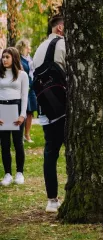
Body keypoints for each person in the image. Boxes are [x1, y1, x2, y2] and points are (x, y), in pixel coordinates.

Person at [32, 14, 66, 212]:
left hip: (46, 107)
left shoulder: (40, 47)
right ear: (60, 28)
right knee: (71, 150)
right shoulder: (63, 44)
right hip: (63, 106)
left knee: (50, 152)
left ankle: (51, 200)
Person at [0, 47, 28, 187]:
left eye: (7, 57)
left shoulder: (22, 75)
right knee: (4, 144)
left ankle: (19, 173)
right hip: (2, 110)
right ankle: (7, 174)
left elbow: (24, 96)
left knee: (18, 143)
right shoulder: (0, 74)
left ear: (14, 58)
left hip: (16, 109)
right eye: (3, 57)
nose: (4, 59)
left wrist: (22, 115)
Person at [16, 39, 37, 142]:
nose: (30, 48)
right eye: (28, 46)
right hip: (22, 88)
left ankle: (27, 135)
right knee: (21, 111)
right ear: (23, 47)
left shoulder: (30, 58)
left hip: (31, 88)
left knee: (30, 111)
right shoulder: (18, 59)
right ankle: (19, 136)